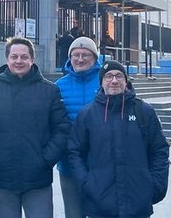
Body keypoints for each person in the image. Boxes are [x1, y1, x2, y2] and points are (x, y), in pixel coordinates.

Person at [0, 37, 70, 218]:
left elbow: (62, 128)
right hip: (2, 179)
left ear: (32, 59)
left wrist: (46, 158)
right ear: (7, 59)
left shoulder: (50, 91)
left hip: (37, 179)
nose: (19, 61)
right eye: (14, 57)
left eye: (24, 57)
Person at [68, 60, 171, 218]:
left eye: (118, 76)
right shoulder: (87, 114)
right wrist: (86, 183)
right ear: (101, 82)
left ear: (126, 81)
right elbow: (74, 152)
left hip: (138, 203)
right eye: (108, 76)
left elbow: (160, 150)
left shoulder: (144, 112)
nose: (114, 80)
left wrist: (155, 185)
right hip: (100, 204)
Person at [55, 36, 101, 218]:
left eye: (85, 55)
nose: (80, 59)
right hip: (69, 164)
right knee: (74, 213)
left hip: (100, 163)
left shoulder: (105, 82)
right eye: (76, 55)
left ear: (95, 57)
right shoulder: (59, 86)